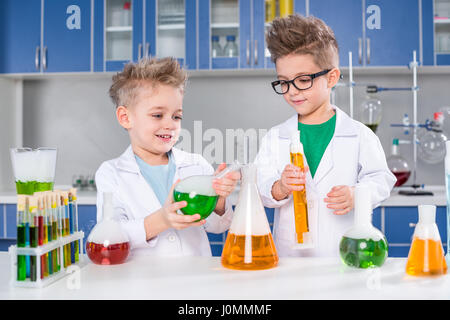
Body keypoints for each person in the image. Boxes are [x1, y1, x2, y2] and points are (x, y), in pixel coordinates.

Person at [254, 14, 396, 257]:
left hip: (342, 254)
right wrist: (280, 187)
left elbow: (381, 179)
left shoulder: (359, 135)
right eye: (284, 82)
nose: (292, 91)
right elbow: (261, 188)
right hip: (290, 260)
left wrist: (356, 195)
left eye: (303, 80)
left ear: (331, 77)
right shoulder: (275, 137)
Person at [95, 57, 239, 256]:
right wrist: (161, 220)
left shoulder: (195, 164)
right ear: (125, 117)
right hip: (143, 282)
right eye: (157, 115)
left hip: (195, 280)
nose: (170, 125)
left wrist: (220, 199)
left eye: (176, 116)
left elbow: (218, 226)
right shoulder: (111, 173)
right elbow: (111, 234)